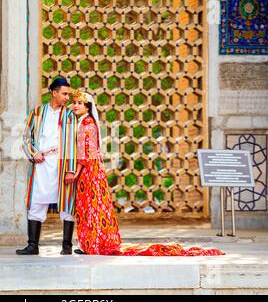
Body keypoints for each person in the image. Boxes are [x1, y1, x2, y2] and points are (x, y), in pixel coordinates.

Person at [69, 89, 224, 256]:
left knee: (91, 207)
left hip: (89, 170)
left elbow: (87, 151)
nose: (76, 105)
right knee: (91, 207)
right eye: (75, 102)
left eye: (80, 103)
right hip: (92, 169)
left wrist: (75, 171)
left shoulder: (86, 124)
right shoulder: (85, 122)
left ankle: (93, 245)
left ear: (87, 107)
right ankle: (91, 244)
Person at [16, 77, 77, 255]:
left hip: (62, 165)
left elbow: (73, 143)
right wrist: (34, 154)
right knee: (36, 202)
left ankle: (67, 246)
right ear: (54, 92)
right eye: (64, 94)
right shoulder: (36, 113)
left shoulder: (69, 115)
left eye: (68, 94)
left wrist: (71, 169)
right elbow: (26, 137)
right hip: (42, 164)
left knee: (67, 204)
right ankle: (32, 245)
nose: (67, 97)